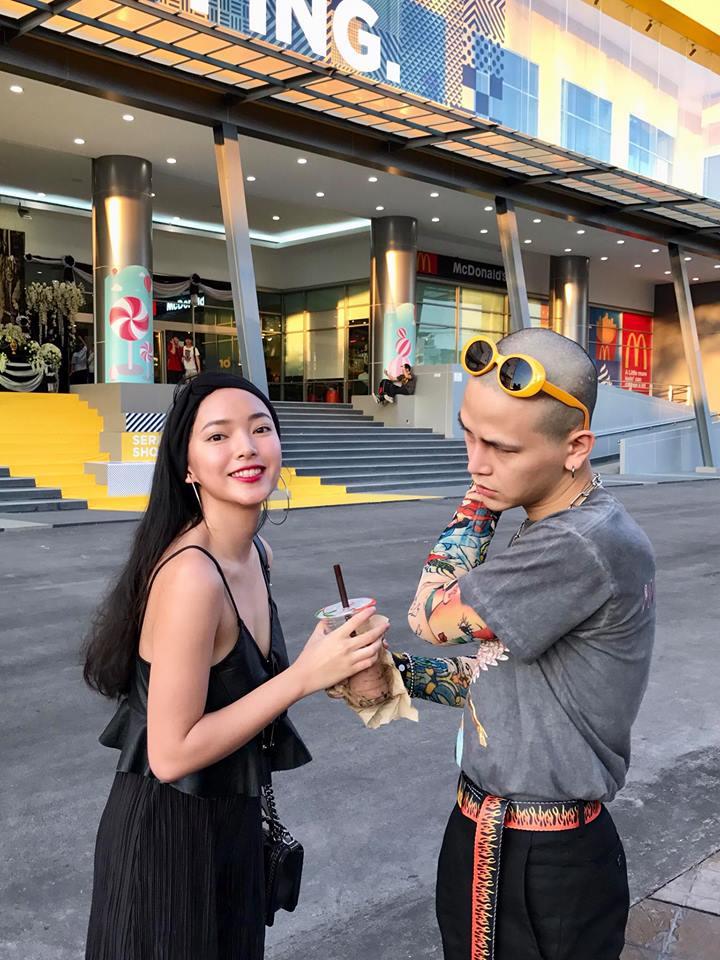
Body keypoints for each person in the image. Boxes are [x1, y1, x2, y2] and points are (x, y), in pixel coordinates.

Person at [356, 328, 655, 960]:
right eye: (469, 434)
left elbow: (429, 616)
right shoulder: (552, 526)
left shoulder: (576, 543)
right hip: (491, 830)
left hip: (543, 860)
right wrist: (396, 675)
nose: (476, 462)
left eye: (501, 447)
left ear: (576, 448)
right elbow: (504, 679)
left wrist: (478, 507)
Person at [82, 372, 387, 960]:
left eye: (260, 429)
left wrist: (338, 661)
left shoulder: (256, 554)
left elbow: (242, 690)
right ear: (188, 466)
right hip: (166, 845)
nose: (246, 447)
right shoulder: (192, 577)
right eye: (218, 436)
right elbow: (170, 754)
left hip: (234, 826)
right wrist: (303, 676)